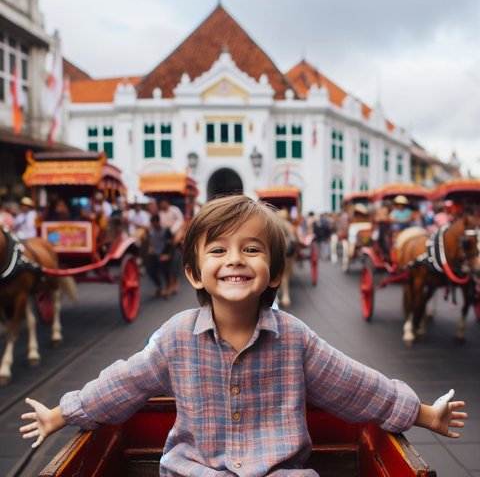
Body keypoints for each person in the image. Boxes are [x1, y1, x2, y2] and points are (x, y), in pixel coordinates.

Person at [20, 195, 467, 476]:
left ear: (273, 272)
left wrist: (426, 414)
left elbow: (355, 384)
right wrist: (61, 414)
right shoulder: (176, 338)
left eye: (251, 250)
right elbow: (122, 384)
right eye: (218, 250)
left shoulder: (295, 338)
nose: (235, 259)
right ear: (195, 273)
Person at [158, 198, 185, 295]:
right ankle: (166, 285)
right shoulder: (159, 214)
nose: (163, 205)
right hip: (164, 238)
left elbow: (180, 223)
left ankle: (173, 284)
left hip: (175, 237)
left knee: (174, 264)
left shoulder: (174, 210)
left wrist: (176, 236)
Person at [145, 214, 173, 298]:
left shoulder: (166, 230)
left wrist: (168, 255)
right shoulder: (151, 231)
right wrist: (150, 248)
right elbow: (151, 241)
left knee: (165, 271)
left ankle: (168, 288)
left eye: (155, 223)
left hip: (164, 253)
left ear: (158, 222)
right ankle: (159, 286)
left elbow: (171, 244)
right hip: (154, 254)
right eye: (152, 224)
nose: (154, 225)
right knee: (151, 272)